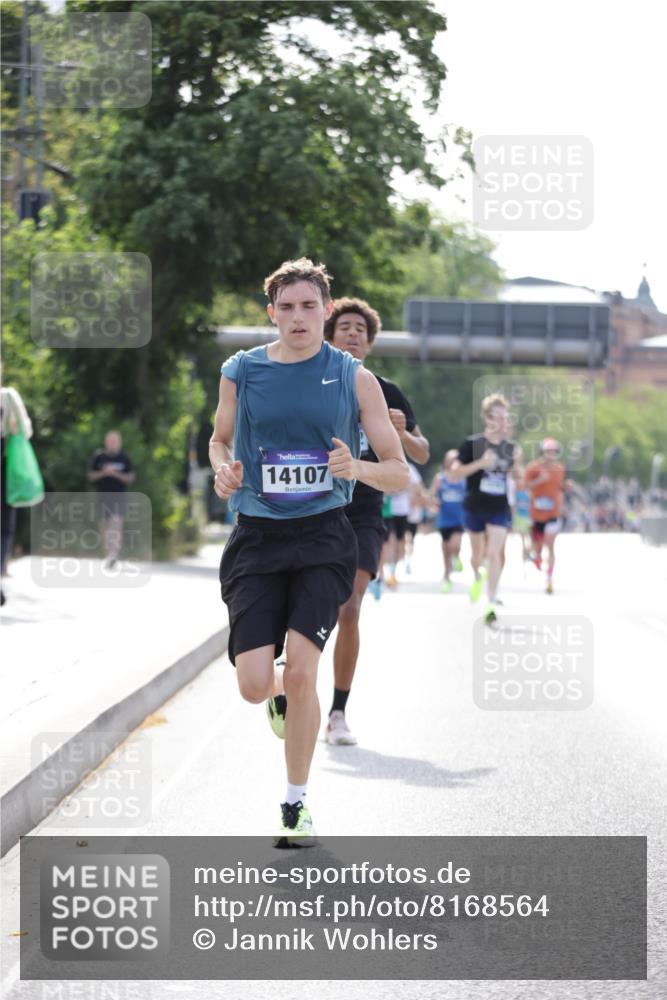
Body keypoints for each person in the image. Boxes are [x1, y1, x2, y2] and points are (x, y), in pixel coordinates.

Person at [210, 263, 409, 844]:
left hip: (324, 536)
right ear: (272, 312)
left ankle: (295, 805)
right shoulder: (241, 371)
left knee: (301, 671)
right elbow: (219, 439)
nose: (298, 317)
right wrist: (226, 472)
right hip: (257, 535)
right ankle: (278, 697)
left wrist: (357, 468)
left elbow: (398, 471)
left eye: (308, 306)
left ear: (326, 309)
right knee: (254, 683)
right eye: (287, 307)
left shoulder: (354, 377)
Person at [323, 297, 429, 744]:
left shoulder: (386, 391)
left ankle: (337, 713)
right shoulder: (315, 382)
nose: (352, 334)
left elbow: (422, 454)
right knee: (305, 606)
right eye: (344, 327)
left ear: (370, 342)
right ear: (330, 336)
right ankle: (290, 682)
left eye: (360, 330)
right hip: (316, 506)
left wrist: (401, 431)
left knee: (350, 606)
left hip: (365, 510)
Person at [449, 393, 523, 624]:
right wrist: (481, 463)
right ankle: (478, 576)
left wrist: (517, 468)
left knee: (494, 553)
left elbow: (518, 479)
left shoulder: (512, 448)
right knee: (476, 556)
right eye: (496, 416)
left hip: (499, 507)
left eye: (505, 416)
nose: (501, 421)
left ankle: (491, 601)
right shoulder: (472, 444)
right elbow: (454, 473)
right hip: (475, 506)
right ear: (486, 418)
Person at [1, 384, 35, 604]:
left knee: (5, 526)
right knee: (5, 527)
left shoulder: (9, 397)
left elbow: (26, 430)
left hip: (6, 469)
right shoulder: (8, 397)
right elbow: (27, 431)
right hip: (7, 469)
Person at [524, 438, 567, 594]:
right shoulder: (533, 468)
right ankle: (536, 556)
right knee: (538, 546)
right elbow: (524, 485)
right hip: (536, 513)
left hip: (553, 513)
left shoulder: (560, 469)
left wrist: (565, 489)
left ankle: (549, 579)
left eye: (554, 451)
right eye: (548, 451)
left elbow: (559, 488)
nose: (551, 454)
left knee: (550, 544)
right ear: (542, 451)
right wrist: (539, 480)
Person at [87, 431, 135, 569]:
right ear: (106, 442)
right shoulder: (99, 457)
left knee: (116, 523)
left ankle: (114, 554)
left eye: (115, 441)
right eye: (110, 440)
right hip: (102, 496)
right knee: (104, 526)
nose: (113, 443)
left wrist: (115, 474)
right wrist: (104, 473)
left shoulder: (124, 458)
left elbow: (130, 478)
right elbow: (91, 476)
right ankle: (108, 554)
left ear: (119, 442)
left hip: (119, 495)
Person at [429, 449, 465, 593]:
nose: (453, 462)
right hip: (444, 518)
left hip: (459, 518)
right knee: (446, 548)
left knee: (455, 544)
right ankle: (446, 573)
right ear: (446, 461)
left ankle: (456, 557)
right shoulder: (440, 478)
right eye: (451, 459)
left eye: (456, 459)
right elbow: (430, 494)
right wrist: (433, 502)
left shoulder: (464, 478)